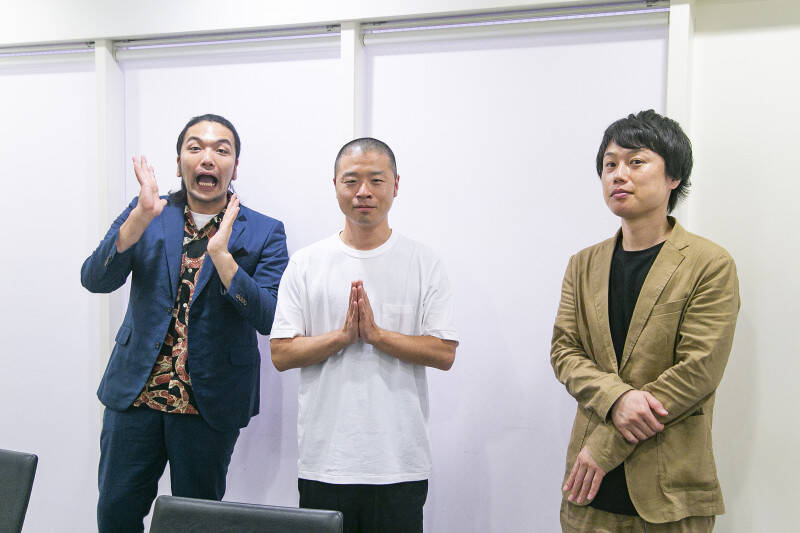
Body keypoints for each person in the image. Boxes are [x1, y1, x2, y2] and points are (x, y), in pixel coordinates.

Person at [81, 114, 289, 533]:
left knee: (196, 523)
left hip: (208, 403)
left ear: (234, 167)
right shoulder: (147, 213)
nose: (208, 157)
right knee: (115, 512)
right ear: (179, 163)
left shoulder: (264, 231)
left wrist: (223, 259)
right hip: (134, 396)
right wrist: (137, 220)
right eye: (195, 148)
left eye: (221, 150)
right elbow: (95, 279)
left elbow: (269, 316)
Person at [551, 110, 740, 532]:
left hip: (670, 492)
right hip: (589, 495)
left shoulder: (709, 263)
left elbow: (698, 371)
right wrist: (617, 399)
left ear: (674, 176)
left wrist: (606, 445)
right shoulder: (583, 264)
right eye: (610, 164)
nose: (619, 174)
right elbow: (565, 352)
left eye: (636, 161)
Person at [270, 137, 459, 533]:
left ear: (396, 184)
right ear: (335, 185)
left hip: (399, 464)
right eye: (351, 180)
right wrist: (341, 338)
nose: (363, 192)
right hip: (325, 463)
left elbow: (444, 352)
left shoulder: (423, 262)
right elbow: (281, 354)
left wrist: (376, 336)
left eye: (376, 180)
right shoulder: (306, 264)